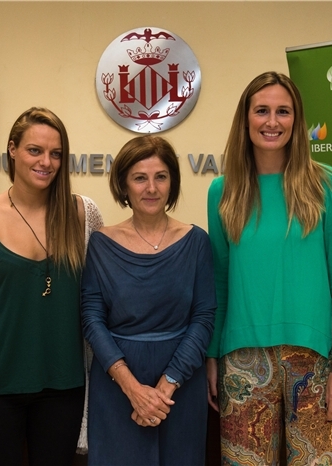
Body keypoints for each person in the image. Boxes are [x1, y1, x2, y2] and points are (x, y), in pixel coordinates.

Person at [206, 71, 332, 464]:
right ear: (246, 119)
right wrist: (212, 356)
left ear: (297, 120)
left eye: (283, 111)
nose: (272, 122)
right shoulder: (223, 191)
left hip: (316, 361)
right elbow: (220, 282)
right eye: (262, 111)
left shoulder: (327, 184)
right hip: (242, 361)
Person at [0, 107, 104, 464]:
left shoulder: (84, 215)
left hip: (64, 386)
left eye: (56, 153)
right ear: (13, 149)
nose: (46, 161)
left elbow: (98, 298)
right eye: (35, 150)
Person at [81, 135, 216, 466]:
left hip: (182, 383)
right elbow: (91, 317)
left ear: (172, 182)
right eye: (140, 178)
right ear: (124, 185)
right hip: (117, 385)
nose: (151, 188)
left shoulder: (196, 241)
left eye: (161, 176)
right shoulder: (101, 243)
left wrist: (166, 387)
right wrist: (132, 388)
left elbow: (203, 317)